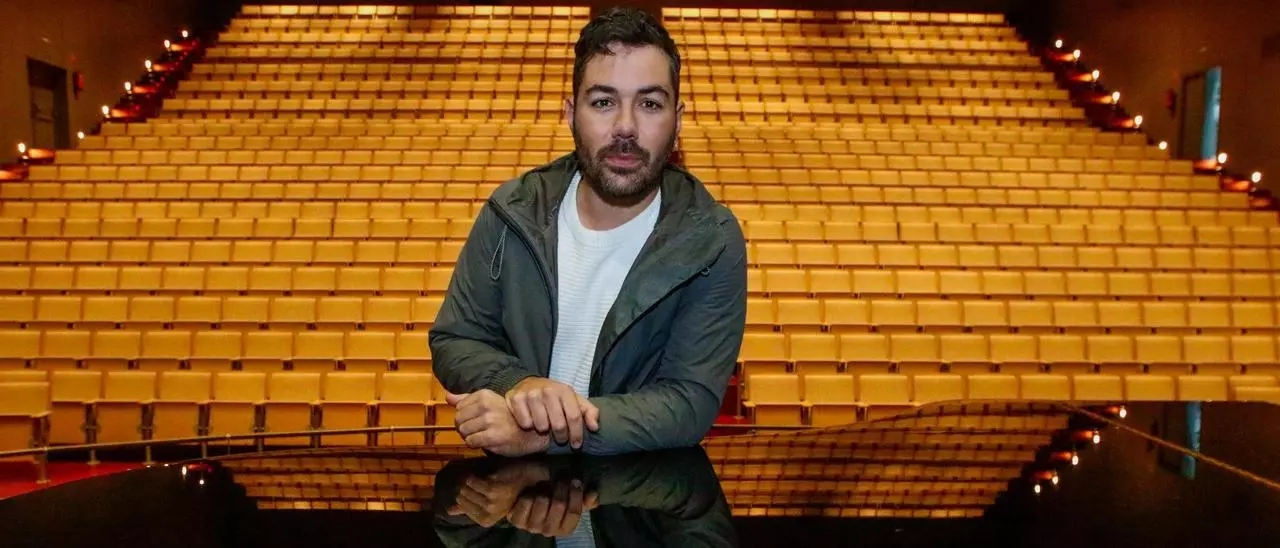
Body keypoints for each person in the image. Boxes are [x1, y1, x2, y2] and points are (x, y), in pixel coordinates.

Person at [429, 6, 747, 457]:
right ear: (570, 114)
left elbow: (687, 402)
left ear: (677, 121)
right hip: (514, 491)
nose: (625, 127)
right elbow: (456, 339)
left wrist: (545, 432)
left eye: (650, 104)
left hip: (640, 493)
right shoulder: (511, 211)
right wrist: (519, 385)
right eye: (603, 102)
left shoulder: (712, 240)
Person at [431, 447, 737, 547]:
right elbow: (689, 483)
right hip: (628, 412)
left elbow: (453, 519)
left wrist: (487, 496)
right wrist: (560, 476)